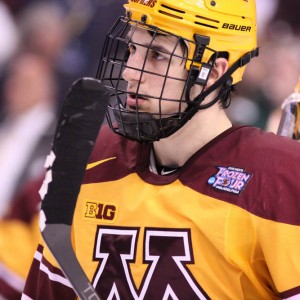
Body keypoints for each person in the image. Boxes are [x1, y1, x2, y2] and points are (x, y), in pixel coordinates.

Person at [23, 0, 300, 299]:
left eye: (156, 54)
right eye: (132, 49)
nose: (130, 71)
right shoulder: (90, 163)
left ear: (215, 71)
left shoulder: (279, 179)